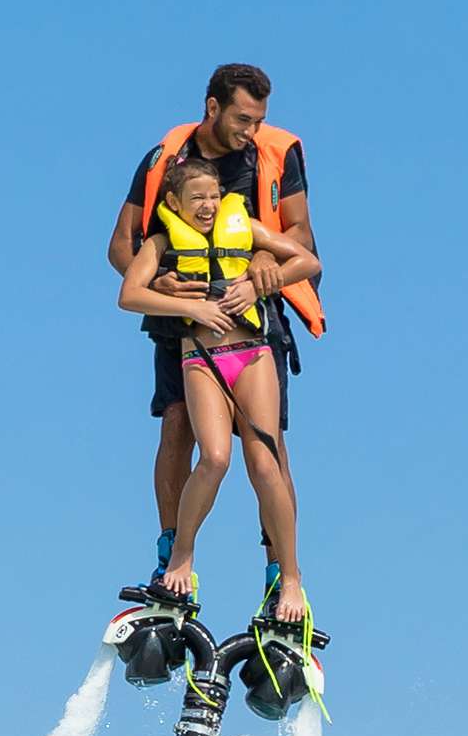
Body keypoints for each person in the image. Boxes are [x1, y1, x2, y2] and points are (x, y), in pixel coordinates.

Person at [105, 62, 319, 626]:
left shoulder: (276, 154)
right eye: (242, 119)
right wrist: (157, 281)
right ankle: (172, 558)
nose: (250, 130)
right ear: (212, 107)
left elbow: (301, 235)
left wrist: (265, 261)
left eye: (258, 120)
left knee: (266, 446)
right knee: (180, 426)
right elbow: (122, 247)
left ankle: (281, 574)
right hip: (184, 324)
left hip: (251, 315)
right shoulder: (164, 160)